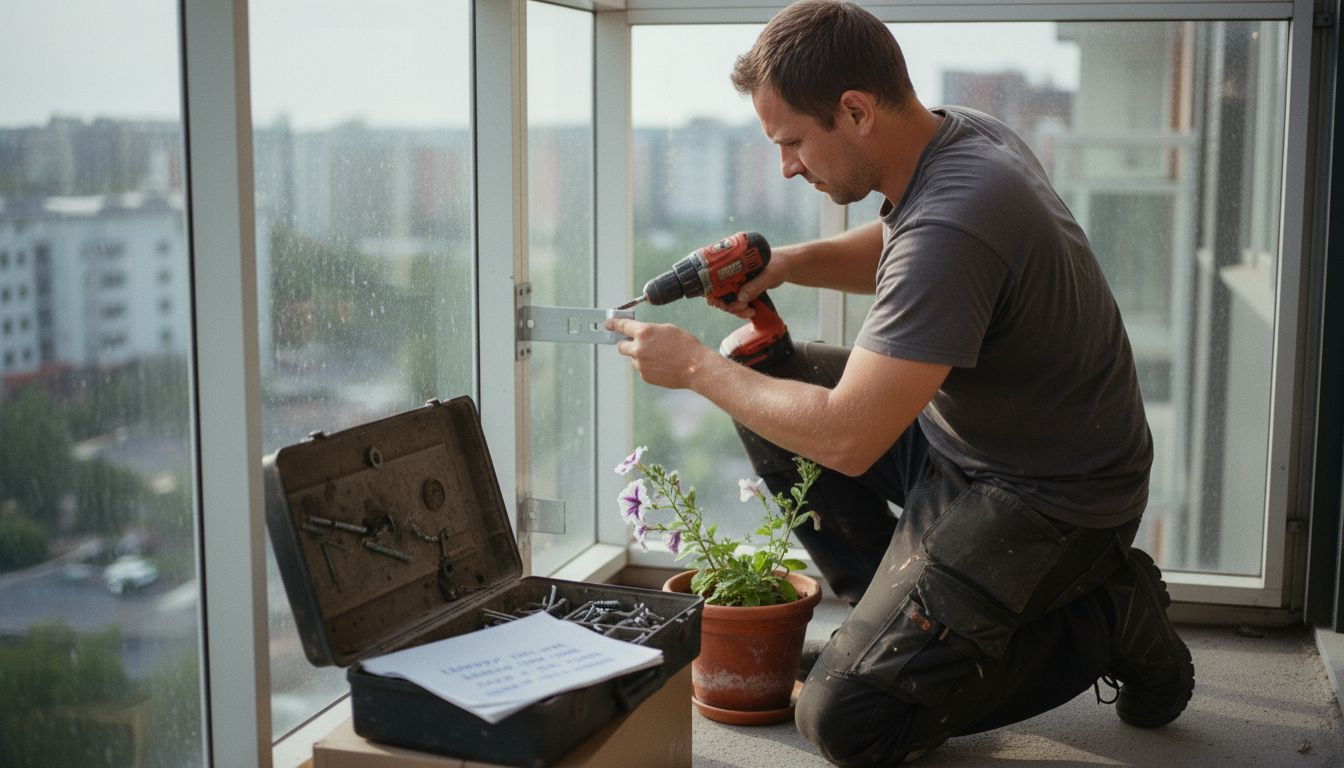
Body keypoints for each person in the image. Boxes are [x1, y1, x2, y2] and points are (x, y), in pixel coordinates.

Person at [605, 0, 1194, 764]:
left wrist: (693, 368)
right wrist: (789, 263)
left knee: (850, 723)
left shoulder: (958, 216)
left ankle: (1114, 616)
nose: (787, 165)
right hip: (972, 443)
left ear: (855, 111)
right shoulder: (960, 135)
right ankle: (892, 628)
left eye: (792, 142)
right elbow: (899, 239)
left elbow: (848, 439)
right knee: (763, 379)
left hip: (1055, 499)